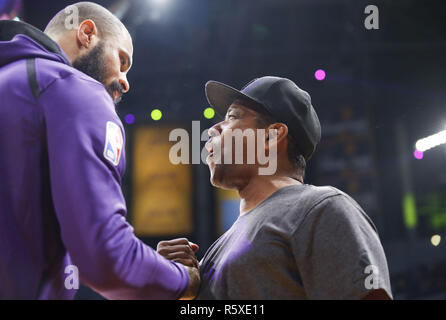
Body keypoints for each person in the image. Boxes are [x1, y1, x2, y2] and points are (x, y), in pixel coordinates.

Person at [0, 2, 199, 299]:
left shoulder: (12, 80)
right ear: (87, 32)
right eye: (122, 61)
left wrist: (151, 265)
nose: (125, 82)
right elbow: (106, 260)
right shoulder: (76, 90)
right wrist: (184, 280)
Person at [158, 76, 392, 299]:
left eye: (232, 117)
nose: (212, 129)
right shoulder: (214, 254)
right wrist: (175, 287)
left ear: (271, 137)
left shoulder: (322, 209)